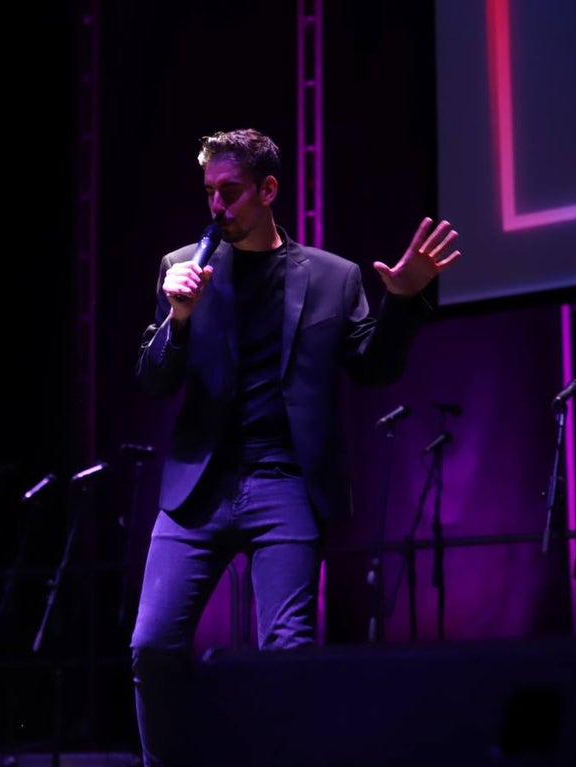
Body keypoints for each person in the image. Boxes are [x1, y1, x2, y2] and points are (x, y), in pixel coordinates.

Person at [128, 128, 462, 766]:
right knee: (151, 647)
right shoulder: (182, 267)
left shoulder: (333, 277)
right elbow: (154, 381)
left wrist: (402, 301)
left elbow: (373, 367)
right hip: (199, 486)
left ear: (268, 190)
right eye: (209, 192)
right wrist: (178, 318)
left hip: (285, 483)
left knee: (287, 653)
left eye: (230, 191)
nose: (217, 206)